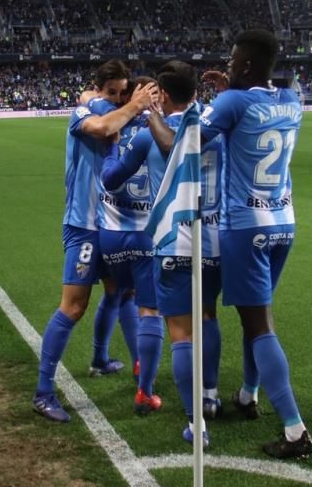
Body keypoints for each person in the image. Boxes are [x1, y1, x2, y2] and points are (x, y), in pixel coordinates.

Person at [197, 30, 312, 459]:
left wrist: (152, 113)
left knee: (260, 325)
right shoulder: (291, 100)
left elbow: (187, 144)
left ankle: (295, 430)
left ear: (245, 64)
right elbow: (251, 111)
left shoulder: (231, 103)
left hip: (244, 225)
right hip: (284, 220)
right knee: (257, 316)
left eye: (231, 60)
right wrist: (231, 92)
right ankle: (248, 394)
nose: (226, 65)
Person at [102, 61, 225, 446]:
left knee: (181, 333)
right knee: (208, 315)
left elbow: (111, 178)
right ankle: (211, 395)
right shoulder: (215, 124)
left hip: (173, 238)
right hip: (216, 236)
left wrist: (110, 150)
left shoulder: (145, 137)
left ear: (163, 96)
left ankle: (195, 423)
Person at [32, 60, 157, 423]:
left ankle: (112, 363)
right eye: (111, 92)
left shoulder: (124, 116)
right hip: (84, 224)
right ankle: (43, 392)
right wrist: (132, 104)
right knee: (73, 307)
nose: (117, 99)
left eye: (123, 92)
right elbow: (101, 126)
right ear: (99, 89)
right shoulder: (85, 111)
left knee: (121, 294)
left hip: (112, 225)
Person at [93, 76, 162, 413]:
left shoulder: (112, 127)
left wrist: (110, 153)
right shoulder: (161, 132)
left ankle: (130, 359)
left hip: (112, 233)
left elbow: (109, 177)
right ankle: (145, 389)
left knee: (122, 295)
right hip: (148, 233)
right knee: (151, 309)